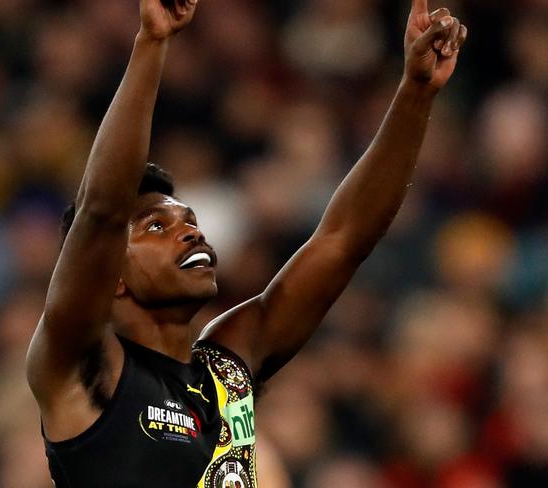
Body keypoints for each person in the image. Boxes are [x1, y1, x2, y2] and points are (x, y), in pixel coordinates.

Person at [26, 0, 468, 486]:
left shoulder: (226, 369)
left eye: (189, 220)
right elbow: (101, 211)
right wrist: (151, 43)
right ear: (109, 274)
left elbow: (341, 241)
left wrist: (415, 93)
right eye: (156, 226)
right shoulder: (81, 365)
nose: (190, 231)